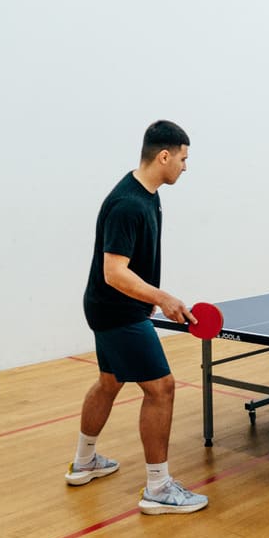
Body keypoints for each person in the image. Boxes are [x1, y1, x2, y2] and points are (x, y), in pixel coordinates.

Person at [68, 120, 208, 514]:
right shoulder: (129, 203)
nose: (185, 166)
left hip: (108, 306)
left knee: (109, 382)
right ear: (164, 156)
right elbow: (115, 272)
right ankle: (158, 488)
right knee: (161, 388)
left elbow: (124, 269)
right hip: (116, 311)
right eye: (183, 159)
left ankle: (85, 461)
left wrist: (149, 295)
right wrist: (161, 297)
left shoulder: (149, 195)